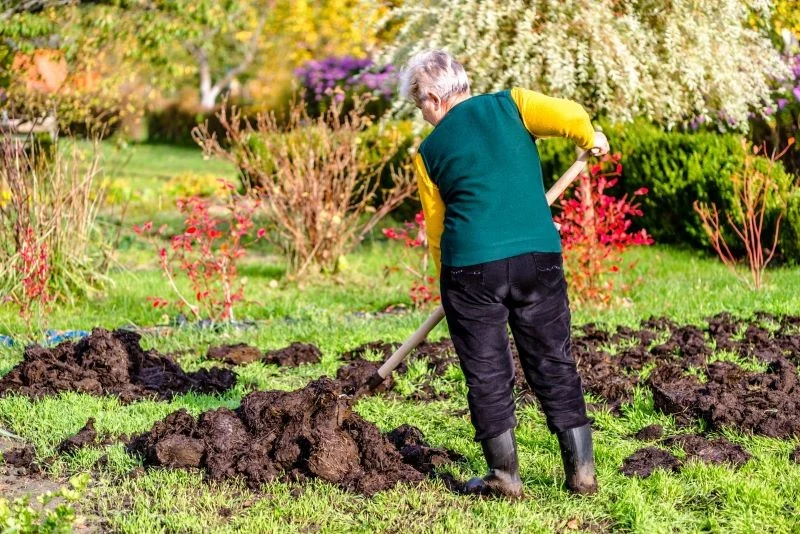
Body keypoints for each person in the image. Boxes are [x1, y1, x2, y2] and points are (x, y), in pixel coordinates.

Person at [399, 50, 609, 498]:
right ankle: (583, 474)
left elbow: (436, 228)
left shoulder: (429, 152)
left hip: (470, 267)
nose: (424, 117)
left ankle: (505, 478)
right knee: (553, 358)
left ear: (434, 98)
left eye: (421, 106)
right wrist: (591, 135)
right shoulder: (513, 103)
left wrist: (448, 281)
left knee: (487, 370)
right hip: (538, 258)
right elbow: (570, 115)